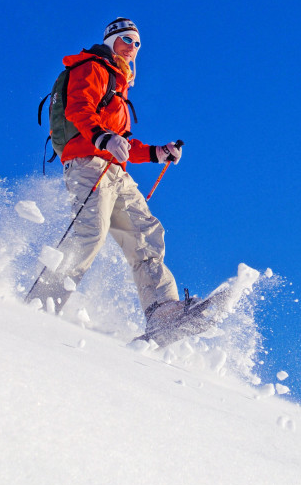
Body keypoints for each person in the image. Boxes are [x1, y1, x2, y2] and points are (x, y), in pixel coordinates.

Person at [27, 17, 187, 334]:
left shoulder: (119, 87)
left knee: (146, 234)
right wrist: (102, 138)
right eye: (127, 40)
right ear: (112, 40)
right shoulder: (93, 68)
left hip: (115, 171)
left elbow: (123, 143)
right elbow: (79, 107)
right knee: (90, 233)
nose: (132, 47)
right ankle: (43, 302)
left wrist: (157, 152)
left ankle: (162, 313)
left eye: (137, 43)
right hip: (88, 163)